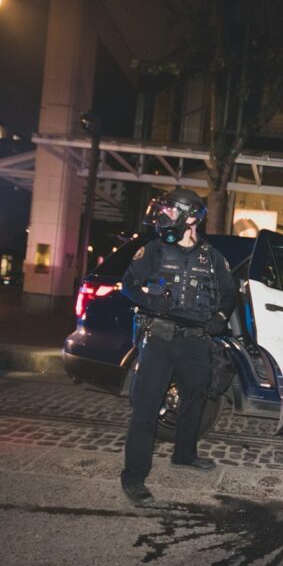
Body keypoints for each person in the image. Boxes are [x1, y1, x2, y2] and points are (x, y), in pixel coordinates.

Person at [119, 188, 236, 505]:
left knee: (195, 400)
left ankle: (185, 455)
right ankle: (134, 477)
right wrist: (149, 300)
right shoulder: (153, 251)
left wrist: (221, 317)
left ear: (191, 216)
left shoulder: (212, 257)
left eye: (170, 211)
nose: (163, 217)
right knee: (145, 409)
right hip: (159, 338)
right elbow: (127, 286)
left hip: (196, 343)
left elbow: (230, 292)